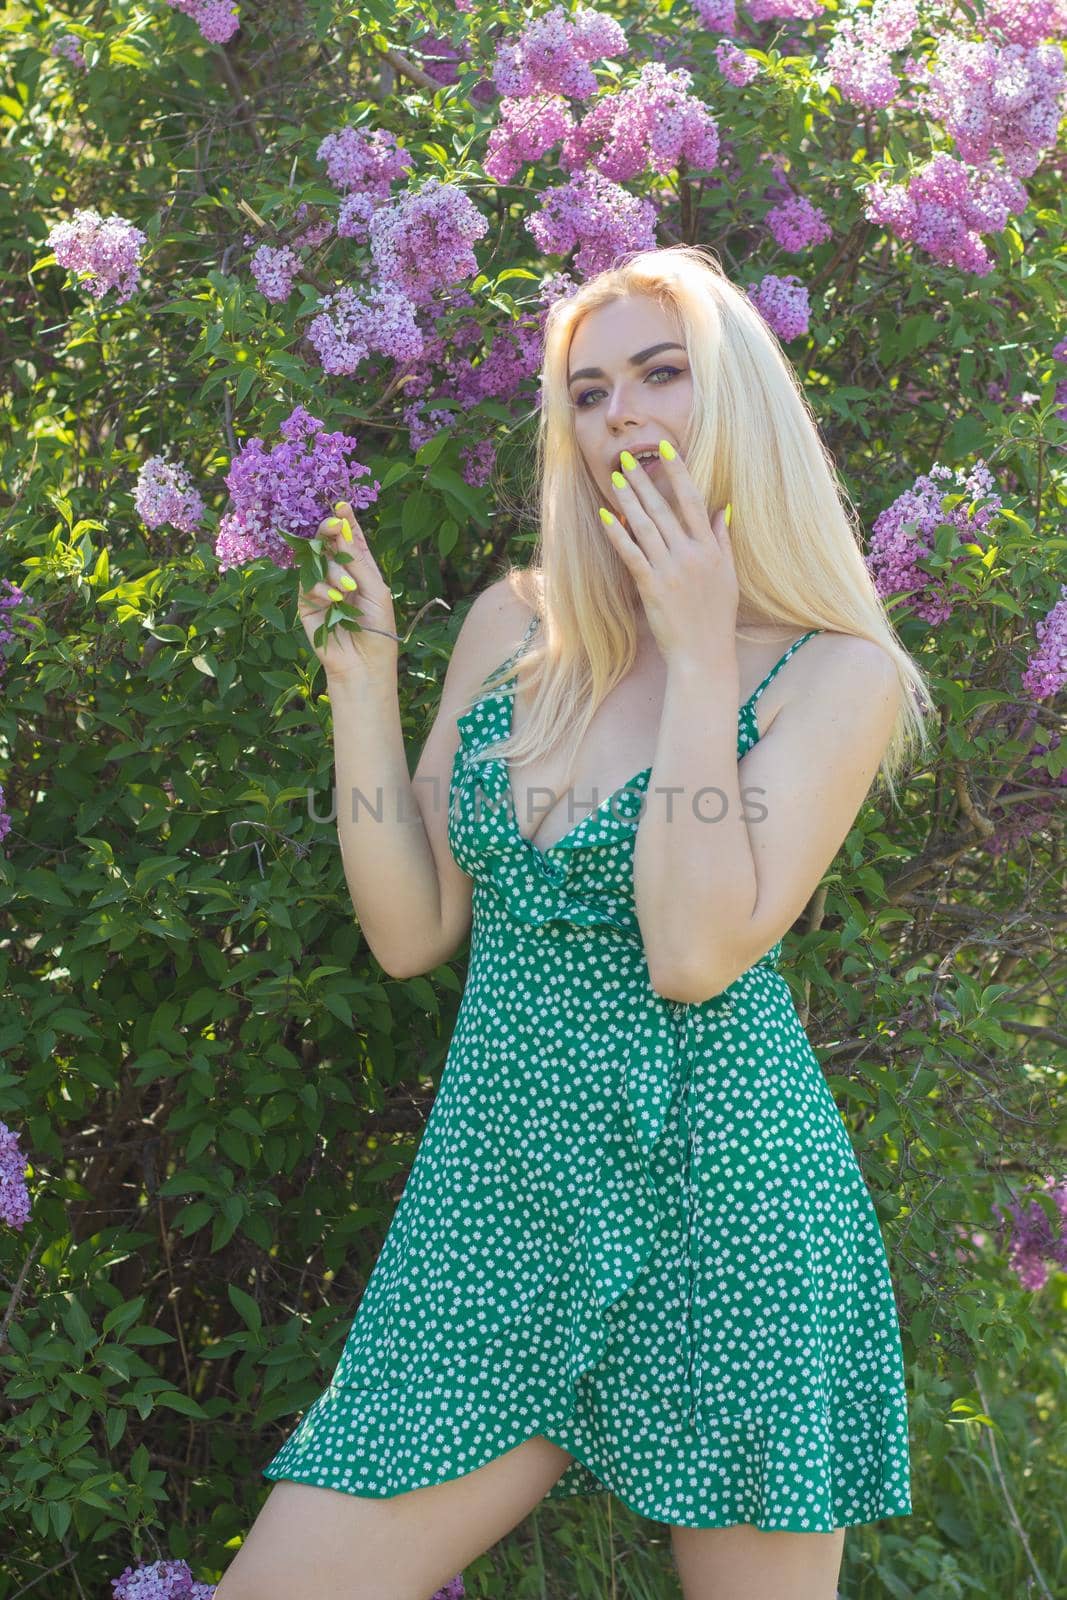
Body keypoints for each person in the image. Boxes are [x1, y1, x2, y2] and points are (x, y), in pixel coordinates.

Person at [215, 243, 935, 1600]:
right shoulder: (518, 630)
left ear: (738, 405)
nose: (622, 414)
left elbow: (692, 948)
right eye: (589, 391)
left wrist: (703, 647)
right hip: (496, 1207)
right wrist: (362, 680)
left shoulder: (842, 674)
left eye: (662, 374)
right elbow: (413, 928)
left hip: (730, 1209)